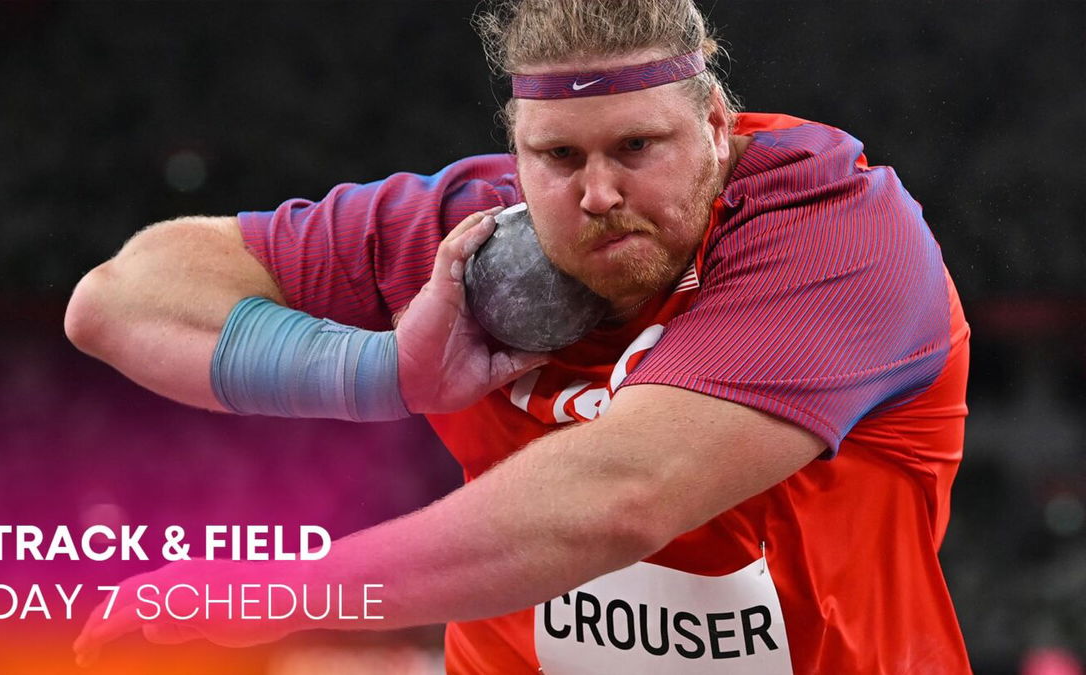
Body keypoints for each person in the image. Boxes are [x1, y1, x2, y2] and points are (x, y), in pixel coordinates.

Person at [64, 0, 972, 672]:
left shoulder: (840, 230)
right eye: (560, 156)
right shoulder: (464, 235)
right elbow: (118, 299)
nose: (598, 194)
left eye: (637, 148)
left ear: (716, 126)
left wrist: (280, 590)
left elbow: (622, 496)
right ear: (516, 150)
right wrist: (382, 370)